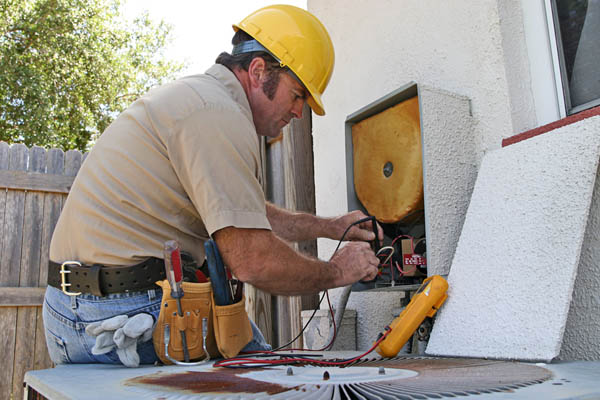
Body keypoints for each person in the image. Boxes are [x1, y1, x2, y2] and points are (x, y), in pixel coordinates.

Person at [42, 4, 381, 366]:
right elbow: (253, 259)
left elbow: (245, 213)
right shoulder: (218, 115)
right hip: (120, 316)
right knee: (271, 377)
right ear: (258, 70)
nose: (299, 112)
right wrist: (340, 271)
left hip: (78, 308)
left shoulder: (203, 101)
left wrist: (330, 228)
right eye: (297, 94)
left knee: (264, 363)